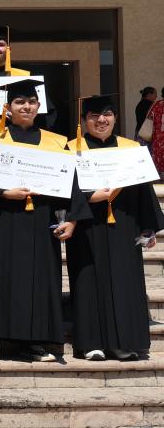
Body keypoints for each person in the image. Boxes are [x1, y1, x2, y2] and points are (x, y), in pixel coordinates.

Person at [0, 79, 91, 362]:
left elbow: (71, 185)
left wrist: (73, 220)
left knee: (39, 280)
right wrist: (3, 192)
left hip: (41, 221)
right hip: (4, 220)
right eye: (19, 102)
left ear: (39, 106)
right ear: (7, 107)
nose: (26, 106)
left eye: (31, 102)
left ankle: (34, 342)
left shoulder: (54, 142)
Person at [67, 95, 164, 360]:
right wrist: (88, 197)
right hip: (87, 226)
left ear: (115, 118)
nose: (101, 120)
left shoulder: (130, 148)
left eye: (107, 114)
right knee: (88, 282)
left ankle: (124, 342)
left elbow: (145, 191)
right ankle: (90, 343)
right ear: (85, 120)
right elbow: (64, 190)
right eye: (94, 116)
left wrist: (148, 229)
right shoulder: (71, 149)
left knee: (124, 282)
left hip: (124, 225)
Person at [144, 89, 164, 176]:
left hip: (157, 135)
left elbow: (148, 117)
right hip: (159, 134)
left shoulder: (156, 104)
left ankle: (159, 174)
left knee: (158, 153)